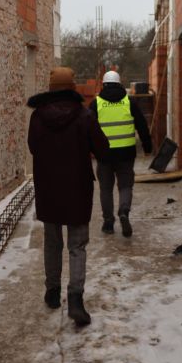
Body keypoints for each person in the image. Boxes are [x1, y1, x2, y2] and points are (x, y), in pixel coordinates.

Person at [27, 66, 109, 326]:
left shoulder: (38, 116)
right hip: (77, 188)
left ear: (50, 89)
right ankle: (75, 299)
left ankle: (52, 292)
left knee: (52, 243)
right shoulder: (84, 115)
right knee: (77, 245)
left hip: (48, 188)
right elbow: (102, 149)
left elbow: (33, 147)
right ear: (73, 87)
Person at [89, 70, 153, 238]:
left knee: (106, 189)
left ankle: (108, 223)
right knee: (125, 186)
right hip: (126, 153)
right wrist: (147, 147)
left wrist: (88, 149)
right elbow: (142, 125)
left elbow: (87, 128)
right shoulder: (128, 102)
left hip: (104, 155)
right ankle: (124, 210)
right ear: (119, 84)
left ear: (104, 84)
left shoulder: (96, 104)